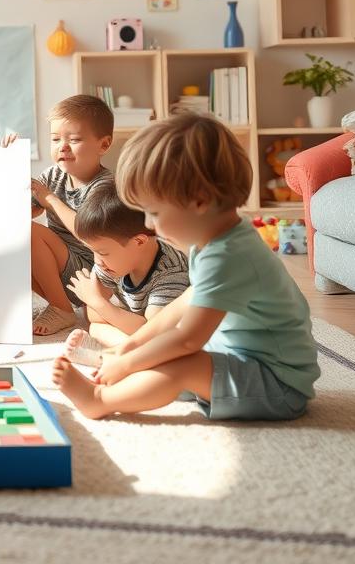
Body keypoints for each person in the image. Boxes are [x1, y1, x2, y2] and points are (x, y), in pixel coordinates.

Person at [52, 113, 319, 421]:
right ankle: (120, 368)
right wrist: (130, 349)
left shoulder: (229, 256)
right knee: (161, 355)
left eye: (153, 212)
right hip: (239, 359)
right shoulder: (214, 241)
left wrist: (127, 363)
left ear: (199, 201)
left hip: (277, 385)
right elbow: (180, 307)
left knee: (181, 362)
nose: (149, 225)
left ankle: (100, 399)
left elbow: (188, 338)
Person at [4, 95, 114, 336]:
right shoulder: (53, 176)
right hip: (61, 271)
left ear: (103, 145)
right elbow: (19, 215)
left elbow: (90, 233)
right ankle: (56, 303)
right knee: (14, 235)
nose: (62, 146)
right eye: (55, 139)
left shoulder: (105, 185)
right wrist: (8, 165)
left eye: (74, 140)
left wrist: (50, 199)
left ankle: (61, 309)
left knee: (31, 233)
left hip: (92, 275)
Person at [61, 177, 189, 367]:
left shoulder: (170, 273)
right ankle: (122, 357)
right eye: (93, 251)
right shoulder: (112, 261)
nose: (97, 261)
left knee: (157, 348)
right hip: (140, 332)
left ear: (138, 241)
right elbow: (94, 317)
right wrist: (99, 305)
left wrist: (94, 299)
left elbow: (152, 331)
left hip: (171, 335)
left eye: (102, 252)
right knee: (97, 327)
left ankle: (113, 359)